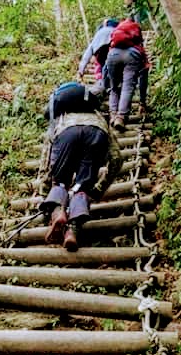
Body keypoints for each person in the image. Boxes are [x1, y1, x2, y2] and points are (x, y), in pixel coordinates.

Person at [35, 81, 123, 251]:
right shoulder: (98, 117)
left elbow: (46, 161)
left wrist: (46, 194)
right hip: (97, 135)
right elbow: (117, 159)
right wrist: (99, 188)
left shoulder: (60, 117)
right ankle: (71, 233)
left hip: (66, 133)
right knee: (82, 188)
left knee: (59, 182)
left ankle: (58, 214)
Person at [104, 15, 150, 131]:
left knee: (114, 88)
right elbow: (144, 75)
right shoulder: (137, 39)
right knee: (127, 87)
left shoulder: (117, 34)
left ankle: (113, 115)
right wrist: (142, 102)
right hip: (132, 56)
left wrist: (105, 83)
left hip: (112, 55)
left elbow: (105, 69)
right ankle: (121, 117)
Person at [77, 18, 119, 90]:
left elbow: (87, 54)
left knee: (103, 68)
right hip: (114, 51)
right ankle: (111, 86)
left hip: (100, 51)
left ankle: (105, 86)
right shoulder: (117, 31)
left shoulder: (98, 34)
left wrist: (81, 70)